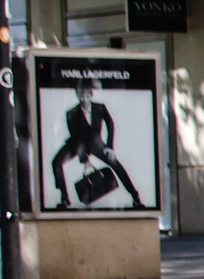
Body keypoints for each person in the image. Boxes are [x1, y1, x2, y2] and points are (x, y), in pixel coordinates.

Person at [49, 76, 145, 209]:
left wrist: (110, 147)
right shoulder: (71, 114)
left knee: (116, 164)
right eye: (81, 95)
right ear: (78, 96)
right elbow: (76, 138)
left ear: (91, 95)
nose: (84, 98)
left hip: (95, 143)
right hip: (78, 143)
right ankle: (64, 198)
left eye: (86, 95)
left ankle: (136, 197)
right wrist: (85, 160)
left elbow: (110, 124)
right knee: (56, 162)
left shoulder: (100, 107)